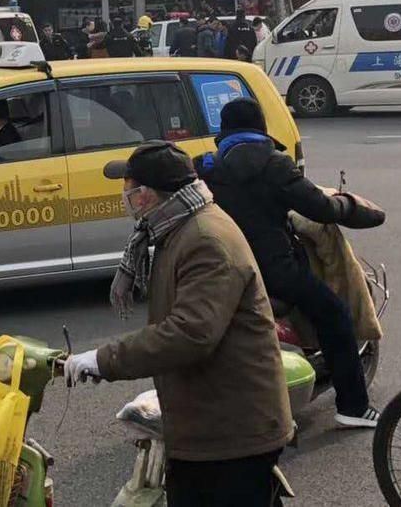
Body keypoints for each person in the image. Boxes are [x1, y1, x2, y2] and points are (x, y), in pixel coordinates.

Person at [64, 140, 294, 506]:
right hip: (206, 417)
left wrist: (104, 359)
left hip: (232, 428)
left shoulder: (205, 240)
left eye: (132, 191)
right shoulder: (175, 229)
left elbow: (190, 333)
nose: (128, 200)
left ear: (150, 196)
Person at [196, 98, 384, 428]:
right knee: (335, 315)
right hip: (275, 272)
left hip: (221, 270)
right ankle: (353, 407)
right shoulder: (275, 165)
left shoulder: (206, 168)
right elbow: (321, 209)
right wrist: (351, 206)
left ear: (223, 131)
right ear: (260, 128)